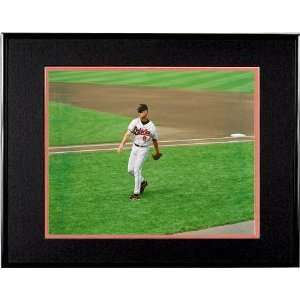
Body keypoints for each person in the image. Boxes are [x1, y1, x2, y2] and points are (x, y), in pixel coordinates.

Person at [117, 104, 161, 200]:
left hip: (144, 150)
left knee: (136, 169)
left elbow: (155, 140)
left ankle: (136, 194)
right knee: (130, 170)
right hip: (135, 148)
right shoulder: (135, 122)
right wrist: (121, 145)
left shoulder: (151, 126)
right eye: (139, 111)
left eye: (141, 111)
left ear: (146, 112)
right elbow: (127, 134)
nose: (140, 113)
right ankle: (143, 182)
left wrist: (157, 152)